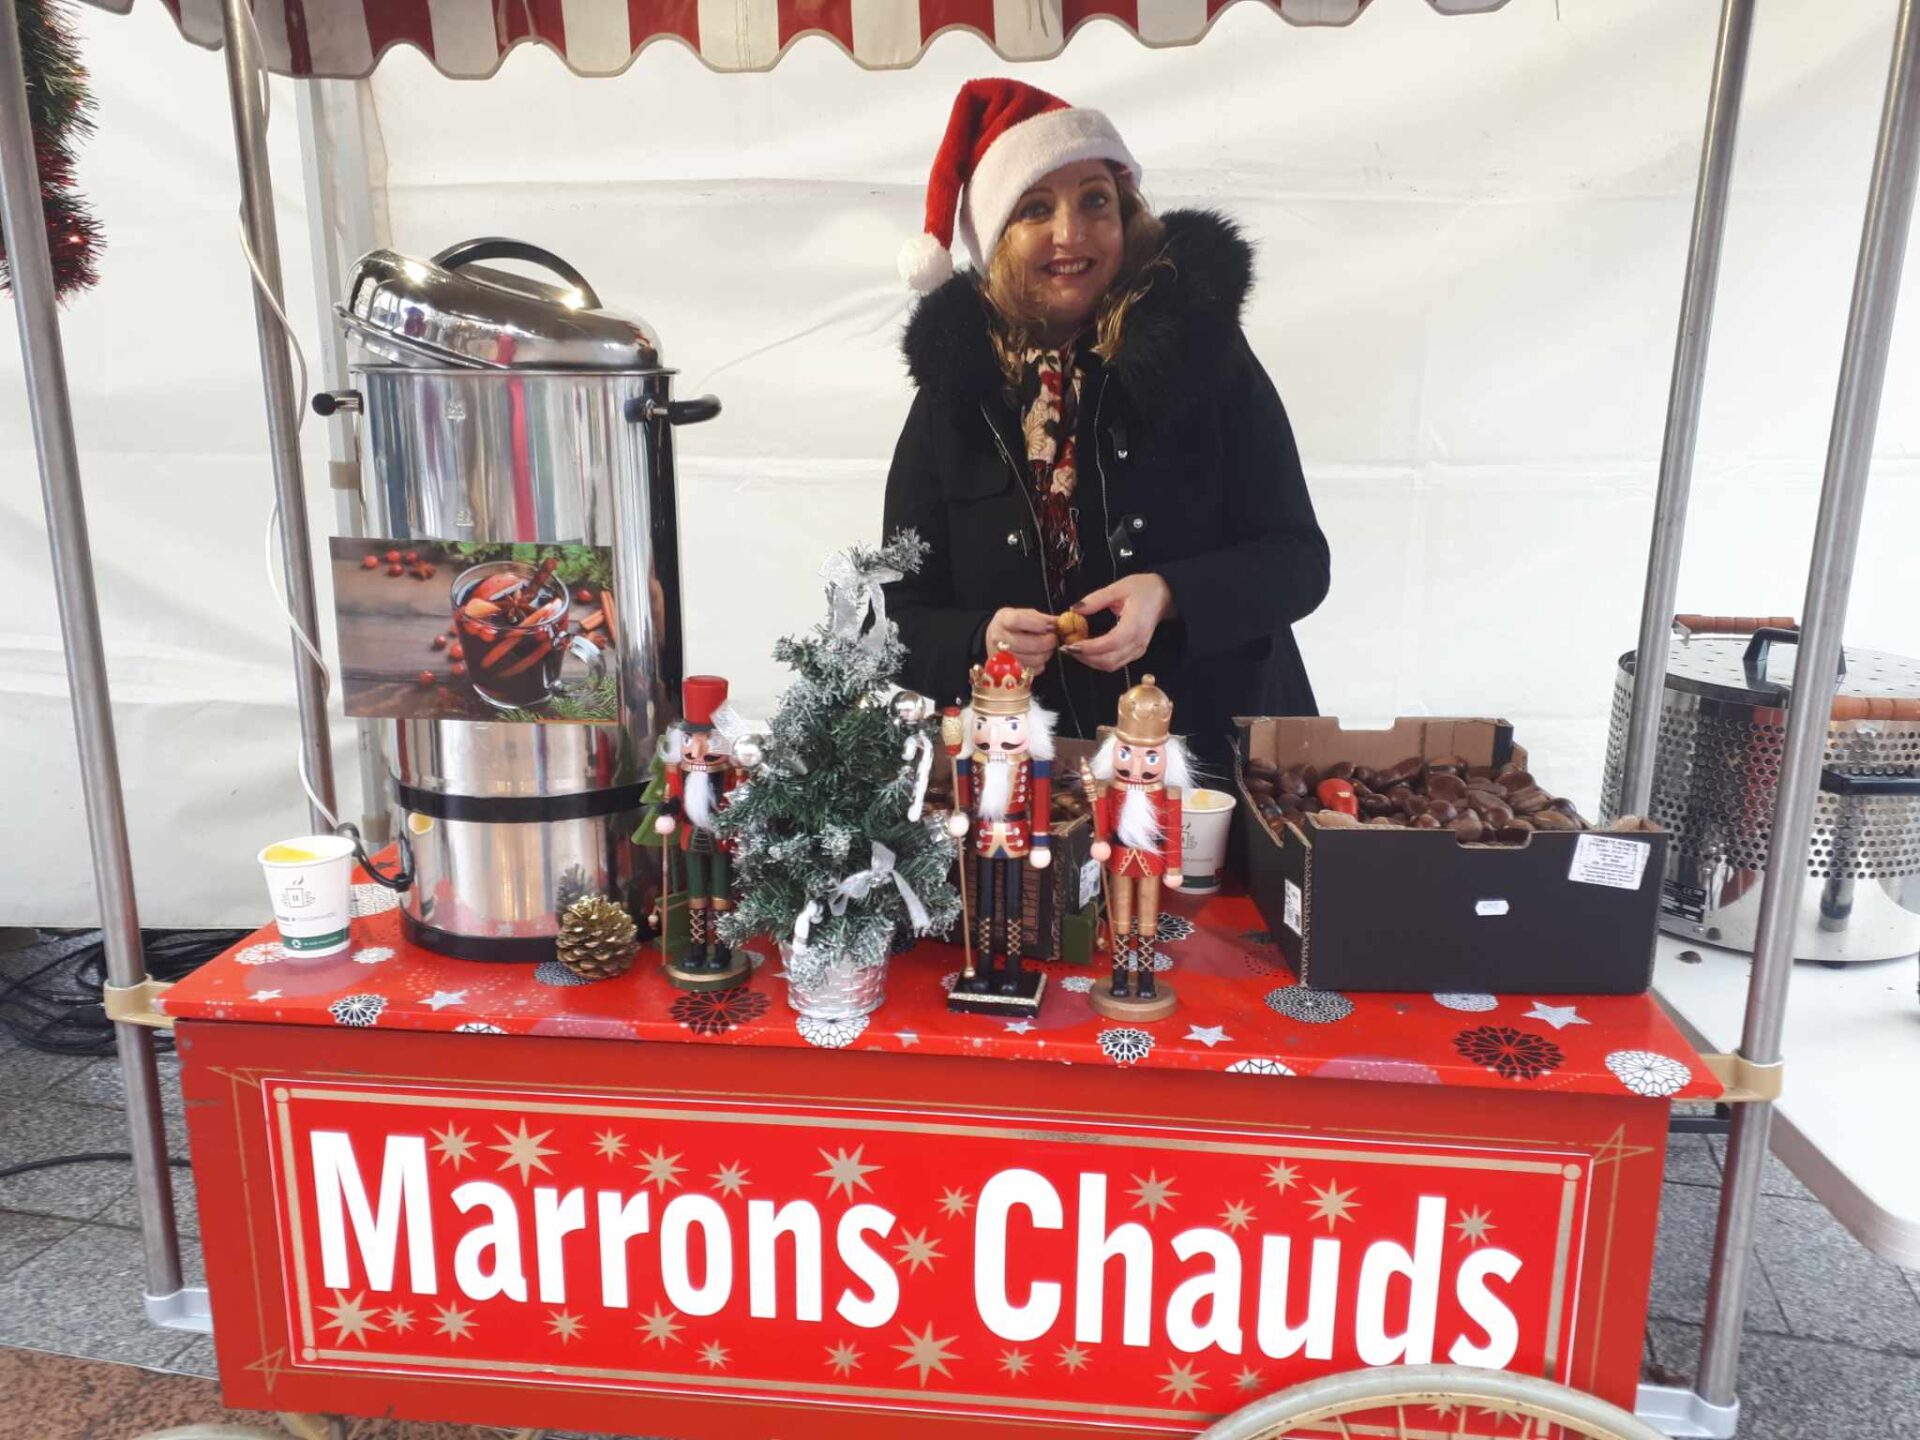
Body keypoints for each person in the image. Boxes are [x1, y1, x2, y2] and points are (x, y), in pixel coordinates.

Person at [883, 79, 1330, 774]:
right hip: (1035, 778)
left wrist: (1172, 594)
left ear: (1127, 216)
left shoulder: (1207, 356)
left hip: (1215, 769)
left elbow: (1299, 562)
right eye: (1036, 208)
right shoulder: (955, 395)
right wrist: (980, 637)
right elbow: (899, 614)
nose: (1072, 233)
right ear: (998, 239)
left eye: (1095, 200)